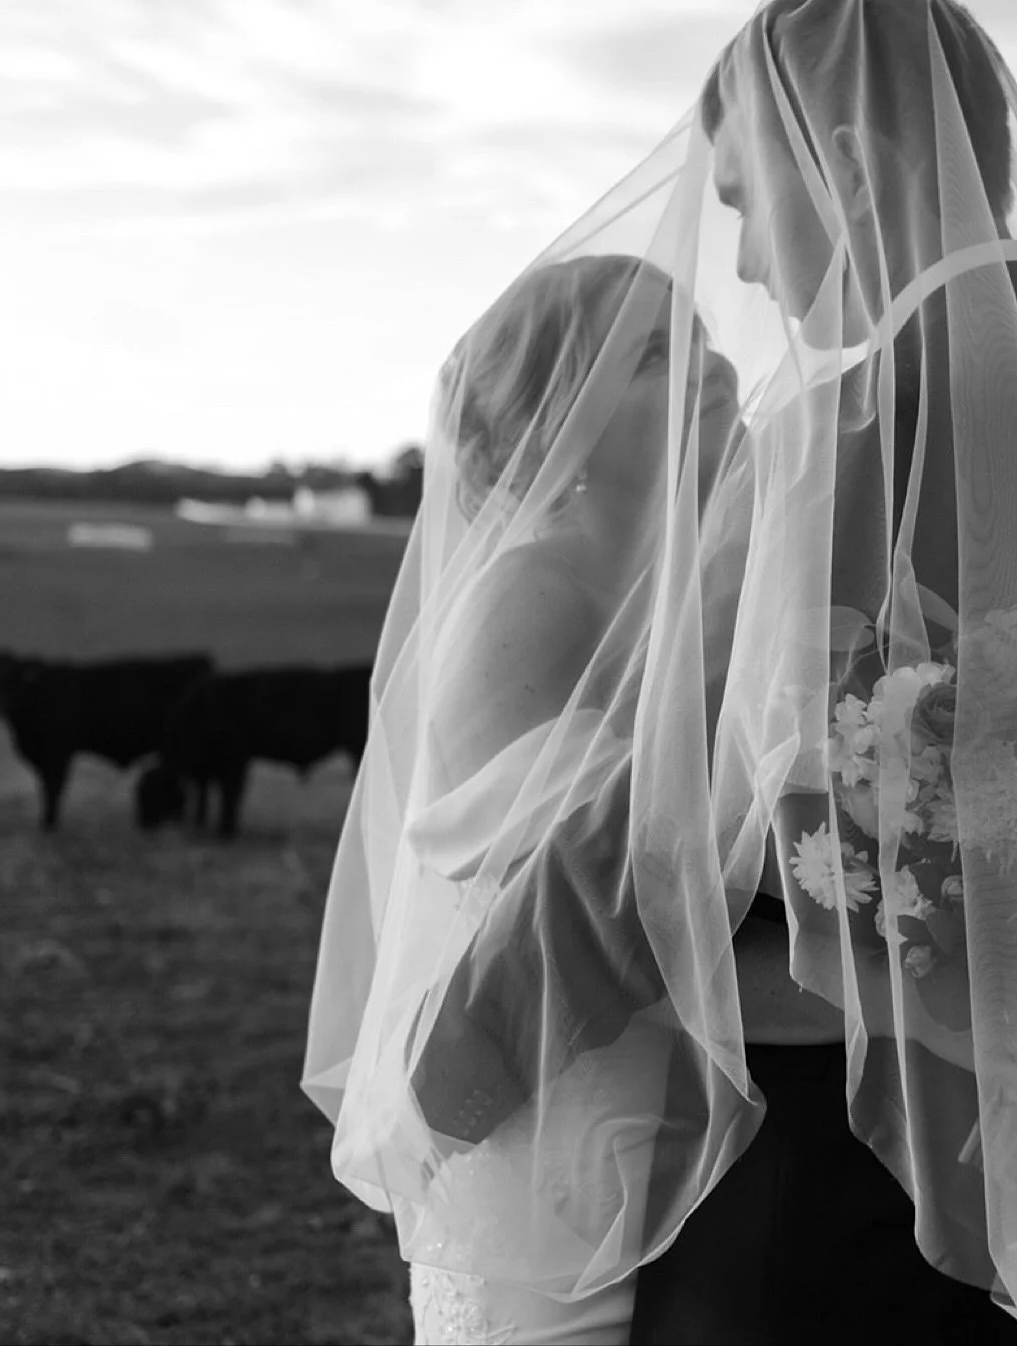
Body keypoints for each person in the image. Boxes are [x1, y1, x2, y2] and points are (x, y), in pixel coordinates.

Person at [304, 0, 1017, 1341]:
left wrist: (463, 1055)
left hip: (856, 1161)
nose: (743, 269)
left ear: (850, 170)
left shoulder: (847, 449)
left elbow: (665, 838)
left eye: (748, 202)